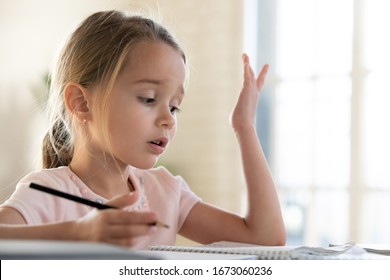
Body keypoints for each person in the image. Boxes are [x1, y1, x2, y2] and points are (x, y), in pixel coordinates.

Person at [0, 10, 285, 249]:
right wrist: (78, 234)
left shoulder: (166, 191)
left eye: (174, 107)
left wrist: (244, 127)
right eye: (148, 98)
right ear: (80, 103)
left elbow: (264, 238)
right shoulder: (46, 192)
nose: (169, 119)